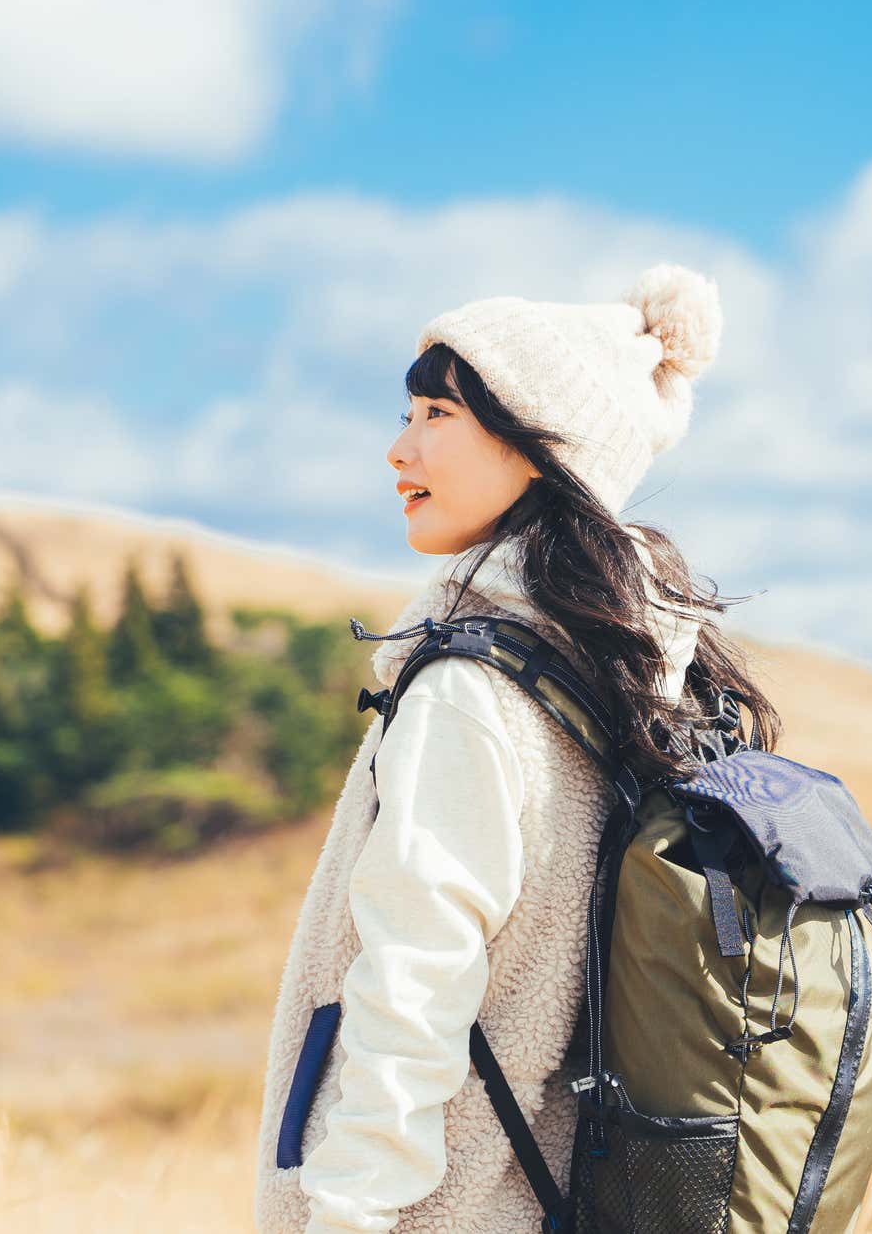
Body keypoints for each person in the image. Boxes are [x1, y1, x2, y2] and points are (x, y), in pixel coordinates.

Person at [253, 265, 783, 1232]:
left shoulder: (474, 694)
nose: (396, 449)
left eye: (435, 415)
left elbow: (409, 996)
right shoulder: (629, 680)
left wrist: (346, 1216)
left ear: (540, 448)